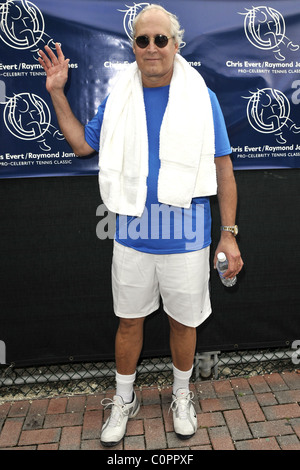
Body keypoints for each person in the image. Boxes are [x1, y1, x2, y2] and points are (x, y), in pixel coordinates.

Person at [39, 4, 243, 447]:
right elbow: (80, 145)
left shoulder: (200, 96)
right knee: (129, 323)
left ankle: (182, 396)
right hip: (132, 234)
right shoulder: (120, 97)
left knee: (183, 324)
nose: (151, 48)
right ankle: (124, 398)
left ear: (175, 44)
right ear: (133, 47)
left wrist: (228, 233)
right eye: (142, 40)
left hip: (187, 237)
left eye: (160, 39)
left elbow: (223, 168)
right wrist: (57, 91)